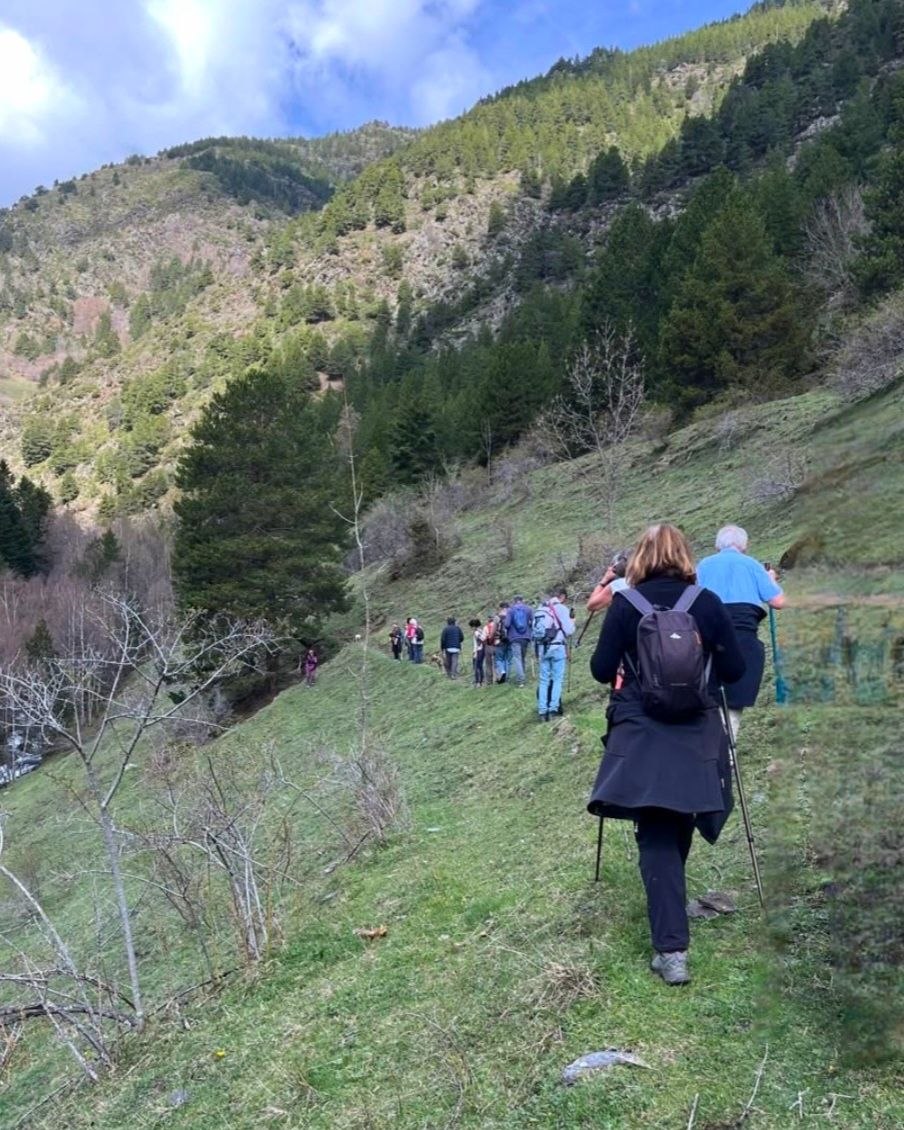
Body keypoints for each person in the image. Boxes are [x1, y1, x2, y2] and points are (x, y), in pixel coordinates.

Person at [587, 523, 745, 987]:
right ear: (685, 556)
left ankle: (671, 948)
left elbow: (600, 671)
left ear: (638, 558)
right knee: (675, 818)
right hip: (695, 727)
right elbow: (733, 670)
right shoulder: (707, 603)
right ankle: (671, 929)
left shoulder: (625, 604)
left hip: (641, 726)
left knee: (655, 826)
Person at [696, 524, 785, 741]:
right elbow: (778, 601)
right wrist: (771, 578)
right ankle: (725, 756)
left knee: (705, 698)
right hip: (743, 640)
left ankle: (703, 754)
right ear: (744, 546)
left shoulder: (704, 565)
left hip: (706, 639)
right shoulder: (752, 565)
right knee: (732, 705)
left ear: (718, 546)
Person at [536, 588, 575, 721]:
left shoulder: (541, 609)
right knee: (557, 679)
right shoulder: (561, 608)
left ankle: (542, 711)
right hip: (558, 647)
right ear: (562, 596)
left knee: (543, 680)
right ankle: (553, 709)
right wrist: (572, 622)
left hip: (543, 648)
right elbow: (569, 631)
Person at [504, 595, 533, 687]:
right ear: (522, 600)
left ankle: (521, 680)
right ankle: (522, 676)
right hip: (526, 637)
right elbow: (533, 622)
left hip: (514, 637)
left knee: (517, 658)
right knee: (522, 658)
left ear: (514, 601)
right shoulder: (528, 609)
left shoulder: (510, 610)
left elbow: (507, 624)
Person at [493, 601, 510, 684]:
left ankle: (502, 672)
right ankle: (507, 676)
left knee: (499, 658)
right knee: (507, 658)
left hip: (499, 640)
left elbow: (494, 629)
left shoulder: (497, 617)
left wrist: (492, 637)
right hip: (509, 640)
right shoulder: (510, 615)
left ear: (501, 608)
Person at [469, 618, 486, 686]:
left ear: (474, 626)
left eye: (471, 626)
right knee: (480, 666)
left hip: (478, 650)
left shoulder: (476, 632)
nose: (471, 628)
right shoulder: (481, 631)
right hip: (483, 650)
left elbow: (478, 642)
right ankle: (482, 680)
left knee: (476, 666)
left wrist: (475, 652)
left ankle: (478, 682)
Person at [482, 613, 498, 684]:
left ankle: (489, 680)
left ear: (489, 619)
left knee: (488, 663)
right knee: (497, 662)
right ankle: (498, 677)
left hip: (488, 646)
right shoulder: (498, 626)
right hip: (497, 646)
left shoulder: (486, 627)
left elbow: (483, 638)